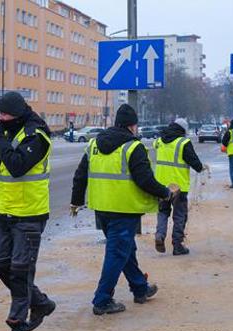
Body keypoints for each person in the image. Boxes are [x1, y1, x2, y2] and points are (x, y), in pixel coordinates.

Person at [70, 104, 178, 316]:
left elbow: (80, 175)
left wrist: (76, 201)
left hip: (101, 207)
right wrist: (165, 193)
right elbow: (145, 180)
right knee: (117, 253)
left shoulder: (94, 144)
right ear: (132, 126)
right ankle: (102, 300)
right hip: (124, 209)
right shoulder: (133, 147)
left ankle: (140, 288)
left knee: (125, 250)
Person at [0, 91, 56, 331]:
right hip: (3, 213)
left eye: (4, 114)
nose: (0, 118)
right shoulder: (8, 132)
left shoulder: (36, 136)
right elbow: (0, 177)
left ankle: (18, 326)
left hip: (29, 214)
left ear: (17, 114)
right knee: (0, 264)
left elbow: (17, 167)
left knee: (20, 270)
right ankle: (40, 303)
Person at [153, 119, 205, 256]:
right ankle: (177, 245)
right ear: (183, 130)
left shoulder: (159, 141)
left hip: (161, 185)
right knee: (179, 215)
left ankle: (160, 235)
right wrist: (201, 168)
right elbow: (195, 162)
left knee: (163, 212)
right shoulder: (183, 143)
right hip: (179, 186)